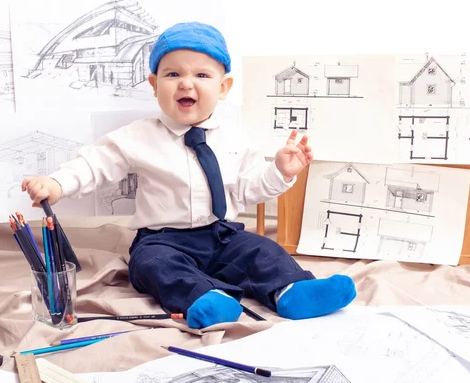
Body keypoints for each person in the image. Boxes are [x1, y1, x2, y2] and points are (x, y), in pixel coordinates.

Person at [21, 22, 357, 329]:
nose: (186, 83)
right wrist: (57, 184)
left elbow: (250, 188)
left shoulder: (234, 138)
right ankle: (207, 298)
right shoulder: (139, 136)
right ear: (154, 85)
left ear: (223, 87)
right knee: (156, 267)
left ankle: (291, 290)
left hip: (221, 235)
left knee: (261, 250)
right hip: (162, 238)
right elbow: (96, 163)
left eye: (201, 75)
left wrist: (280, 172)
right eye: (172, 75)